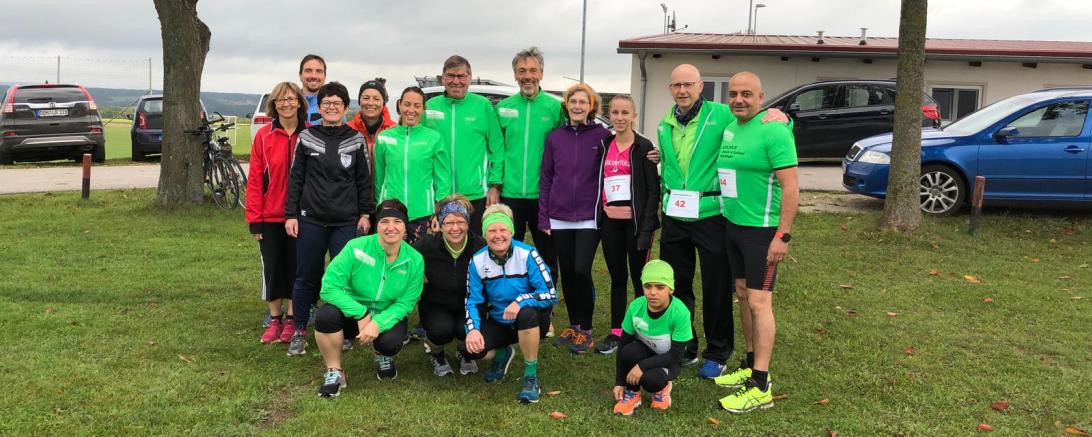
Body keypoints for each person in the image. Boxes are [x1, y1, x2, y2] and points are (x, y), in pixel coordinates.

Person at [655, 64, 788, 378]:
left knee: (715, 285)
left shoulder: (721, 114)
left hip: (711, 214)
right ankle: (685, 344)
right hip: (674, 215)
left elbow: (756, 121)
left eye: (688, 84)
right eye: (676, 86)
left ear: (701, 86)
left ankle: (717, 351)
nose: (682, 90)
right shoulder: (665, 123)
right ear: (670, 89)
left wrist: (783, 117)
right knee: (678, 284)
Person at [713, 72, 799, 413]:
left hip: (762, 232)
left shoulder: (774, 130)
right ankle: (749, 366)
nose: (738, 99)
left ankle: (761, 386)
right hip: (733, 225)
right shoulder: (733, 127)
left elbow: (791, 187)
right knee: (744, 295)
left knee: (761, 302)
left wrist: (783, 235)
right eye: (733, 93)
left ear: (762, 97)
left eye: (746, 94)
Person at [284, 81, 374, 357]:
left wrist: (365, 214)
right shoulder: (307, 137)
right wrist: (291, 214)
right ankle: (300, 329)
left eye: (337, 103)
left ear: (346, 108)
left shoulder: (356, 139)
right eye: (326, 103)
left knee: (345, 280)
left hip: (346, 222)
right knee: (306, 276)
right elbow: (296, 179)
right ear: (318, 107)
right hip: (310, 219)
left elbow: (364, 181)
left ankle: (345, 330)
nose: (332, 107)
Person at [314, 200, 425, 397]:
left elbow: (406, 302)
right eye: (385, 222)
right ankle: (334, 371)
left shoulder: (415, 259)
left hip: (385, 313)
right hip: (352, 312)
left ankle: (382, 355)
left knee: (390, 342)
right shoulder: (356, 247)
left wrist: (377, 324)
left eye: (397, 222)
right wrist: (361, 313)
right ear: (377, 225)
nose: (391, 227)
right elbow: (328, 287)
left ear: (405, 227)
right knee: (325, 316)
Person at [539, 83, 611, 354]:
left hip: (589, 217)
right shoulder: (554, 137)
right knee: (567, 273)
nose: (578, 106)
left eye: (583, 102)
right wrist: (543, 217)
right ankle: (573, 326)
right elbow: (546, 177)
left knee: (581, 270)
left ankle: (587, 329)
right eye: (573, 102)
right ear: (566, 105)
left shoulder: (603, 136)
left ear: (591, 106)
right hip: (558, 217)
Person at [461, 204, 556, 404]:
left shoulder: (528, 254)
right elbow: (473, 300)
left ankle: (530, 377)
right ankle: (503, 353)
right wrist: (473, 330)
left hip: (532, 320)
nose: (498, 235)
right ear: (485, 234)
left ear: (511, 231)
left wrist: (520, 301)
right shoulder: (477, 261)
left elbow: (549, 293)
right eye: (492, 230)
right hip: (500, 320)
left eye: (503, 229)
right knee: (474, 350)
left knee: (527, 314)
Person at [596, 95, 660, 355]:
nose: (620, 118)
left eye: (625, 113)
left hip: (636, 225)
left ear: (633, 116)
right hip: (610, 223)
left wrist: (646, 228)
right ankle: (617, 331)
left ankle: (640, 331)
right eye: (615, 112)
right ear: (609, 115)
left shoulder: (644, 147)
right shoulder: (604, 144)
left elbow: (652, 191)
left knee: (638, 279)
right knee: (617, 277)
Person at [494, 47, 561, 285]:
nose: (527, 76)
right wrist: (495, 184)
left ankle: (547, 303)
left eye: (533, 70)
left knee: (547, 254)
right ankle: (508, 298)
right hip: (509, 194)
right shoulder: (503, 108)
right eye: (522, 71)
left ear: (541, 73)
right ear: (515, 75)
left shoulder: (555, 108)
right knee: (506, 251)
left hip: (543, 195)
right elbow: (496, 150)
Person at [247, 81, 306, 345]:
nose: (286, 103)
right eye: (281, 99)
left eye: (291, 98)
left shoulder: (310, 134)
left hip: (302, 217)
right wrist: (255, 221)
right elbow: (255, 181)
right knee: (272, 267)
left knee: (296, 267)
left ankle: (293, 317)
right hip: (270, 216)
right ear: (274, 104)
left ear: (299, 102)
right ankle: (274, 318)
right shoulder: (264, 136)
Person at [423, 55, 504, 235]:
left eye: (461, 76)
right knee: (440, 248)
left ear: (469, 77)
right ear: (443, 77)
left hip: (474, 194)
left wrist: (494, 185)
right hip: (438, 194)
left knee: (473, 246)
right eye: (451, 76)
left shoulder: (483, 106)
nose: (456, 81)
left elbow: (496, 148)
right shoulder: (429, 107)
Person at [412, 194, 484, 376]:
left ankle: (464, 351)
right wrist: (418, 276)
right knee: (442, 330)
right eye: (449, 222)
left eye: (460, 222)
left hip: (469, 304)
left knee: (464, 329)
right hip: (436, 304)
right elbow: (404, 262)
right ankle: (436, 353)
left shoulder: (479, 246)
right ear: (440, 224)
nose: (455, 228)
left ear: (468, 223)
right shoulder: (427, 246)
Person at [612, 260, 692, 416]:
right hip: (646, 352)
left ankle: (663, 387)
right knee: (628, 352)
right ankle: (632, 393)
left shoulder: (681, 313)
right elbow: (623, 344)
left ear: (671, 289)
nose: (652, 292)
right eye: (647, 286)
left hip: (669, 360)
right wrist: (620, 381)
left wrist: (641, 366)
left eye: (660, 287)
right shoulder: (636, 306)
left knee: (652, 380)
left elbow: (675, 355)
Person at [374, 86, 451, 242]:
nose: (411, 110)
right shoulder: (384, 138)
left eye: (417, 106)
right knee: (392, 260)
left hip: (423, 213)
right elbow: (379, 177)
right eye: (407, 104)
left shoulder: (434, 138)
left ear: (423, 109)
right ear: (400, 105)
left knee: (421, 261)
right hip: (391, 213)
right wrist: (379, 208)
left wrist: (439, 211)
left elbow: (442, 179)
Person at [347, 78, 397, 179]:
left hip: (386, 193)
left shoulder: (394, 131)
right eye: (366, 98)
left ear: (383, 102)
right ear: (359, 101)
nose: (370, 103)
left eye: (376, 99)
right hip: (356, 193)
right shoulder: (347, 130)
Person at [298, 54, 327, 124]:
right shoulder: (287, 104)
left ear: (325, 76)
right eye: (308, 71)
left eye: (319, 71)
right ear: (300, 75)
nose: (314, 76)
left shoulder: (334, 107)